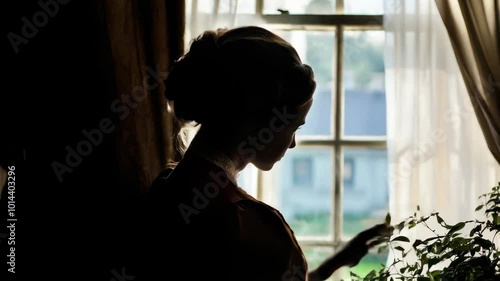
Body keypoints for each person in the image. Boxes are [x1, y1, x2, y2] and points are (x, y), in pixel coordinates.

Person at [138, 26, 393, 281]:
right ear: (261, 121)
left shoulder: (164, 190)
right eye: (294, 127)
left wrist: (335, 262)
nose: (292, 144)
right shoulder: (253, 226)